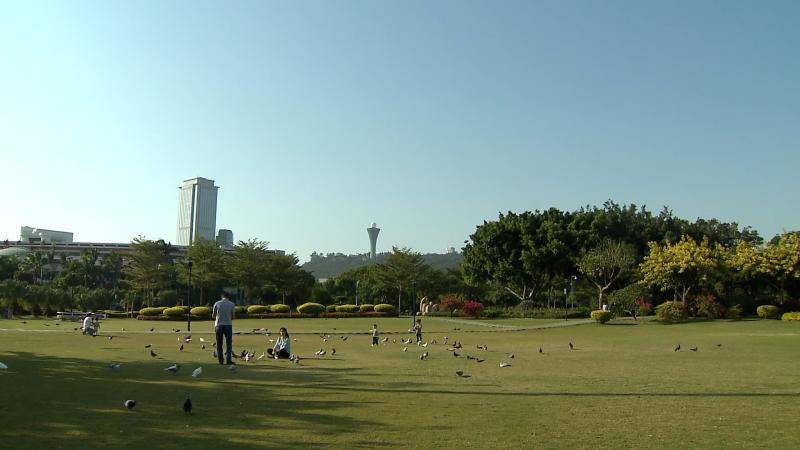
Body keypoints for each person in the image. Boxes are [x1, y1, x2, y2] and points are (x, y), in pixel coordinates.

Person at [212, 292, 236, 365]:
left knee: (219, 344)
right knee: (229, 343)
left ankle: (221, 361)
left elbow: (213, 316)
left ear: (222, 296)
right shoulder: (232, 304)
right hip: (228, 325)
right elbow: (233, 316)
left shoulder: (217, 303)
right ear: (228, 297)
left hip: (218, 325)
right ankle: (228, 360)